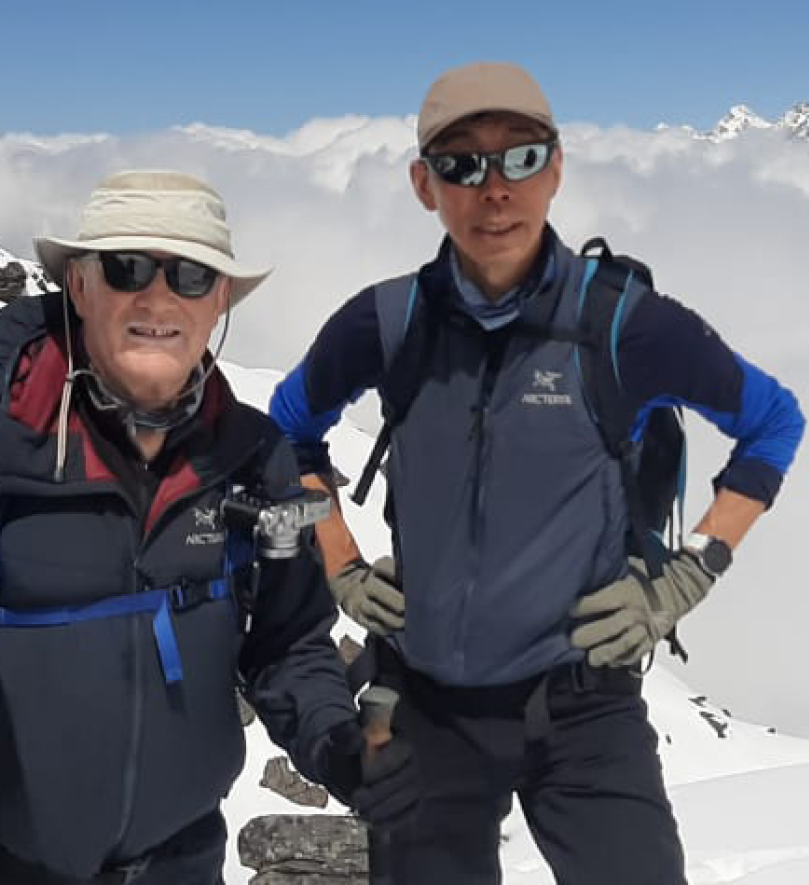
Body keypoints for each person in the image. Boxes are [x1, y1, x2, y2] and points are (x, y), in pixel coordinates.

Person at [270, 61, 805, 884]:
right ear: (424, 185)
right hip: (428, 701)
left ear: (556, 170)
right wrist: (338, 562)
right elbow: (289, 431)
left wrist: (690, 575)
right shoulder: (385, 323)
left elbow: (773, 422)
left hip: (586, 704)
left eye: (520, 158)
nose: (494, 189)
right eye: (461, 164)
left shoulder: (623, 324)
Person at [0, 170, 420, 885]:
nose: (158, 297)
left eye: (191, 275)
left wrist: (337, 746)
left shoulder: (253, 457)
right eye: (127, 269)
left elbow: (288, 646)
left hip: (180, 862)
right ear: (79, 288)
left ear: (220, 299)